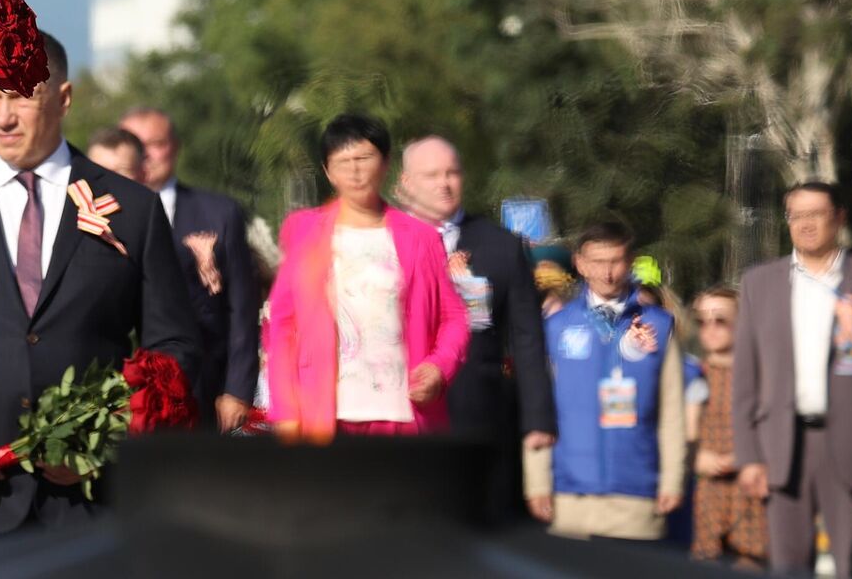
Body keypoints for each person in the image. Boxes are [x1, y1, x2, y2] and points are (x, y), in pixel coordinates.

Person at [0, 33, 199, 539]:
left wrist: (105, 439)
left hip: (91, 506)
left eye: (21, 96)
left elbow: (174, 346)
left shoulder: (135, 210)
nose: (3, 117)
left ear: (64, 98)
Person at [732, 182, 852, 578]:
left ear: (839, 218)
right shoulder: (759, 284)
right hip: (781, 446)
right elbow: (745, 380)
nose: (806, 225)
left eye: (816, 214)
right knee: (788, 567)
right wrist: (748, 457)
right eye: (797, 216)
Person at [263, 113, 468, 442]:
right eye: (342, 162)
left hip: (404, 414)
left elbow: (454, 316)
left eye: (364, 158)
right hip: (326, 416)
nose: (355, 171)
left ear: (386, 164)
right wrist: (286, 410)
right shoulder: (304, 232)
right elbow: (281, 325)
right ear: (328, 172)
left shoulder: (422, 238)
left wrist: (439, 367)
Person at [396, 136, 556, 519]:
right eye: (432, 175)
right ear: (405, 183)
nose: (444, 184)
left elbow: (527, 339)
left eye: (452, 173)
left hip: (476, 414)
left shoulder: (500, 246)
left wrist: (537, 421)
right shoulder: (384, 242)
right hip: (399, 410)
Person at [524, 221, 684, 541]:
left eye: (616, 261)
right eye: (597, 262)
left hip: (636, 493)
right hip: (570, 494)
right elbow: (540, 409)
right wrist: (537, 482)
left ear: (631, 261)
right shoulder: (555, 328)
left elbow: (672, 410)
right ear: (580, 264)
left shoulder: (659, 325)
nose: (607, 273)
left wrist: (673, 479)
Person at [120, 106, 261, 431]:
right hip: (123, 388)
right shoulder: (96, 211)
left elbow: (241, 307)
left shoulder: (218, 213)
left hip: (202, 387)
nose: (146, 154)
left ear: (175, 146)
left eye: (155, 143)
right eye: (135, 144)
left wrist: (237, 389)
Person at [688, 286, 766, 568]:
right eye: (702, 321)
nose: (710, 328)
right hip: (707, 494)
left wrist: (747, 455)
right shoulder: (692, 374)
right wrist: (696, 456)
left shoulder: (763, 375)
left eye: (720, 320)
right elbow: (683, 432)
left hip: (751, 494)